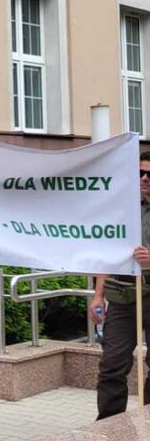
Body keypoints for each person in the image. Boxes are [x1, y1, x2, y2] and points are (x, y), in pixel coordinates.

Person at [92, 151, 150, 420]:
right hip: (122, 296)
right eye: (140, 173)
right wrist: (97, 295)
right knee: (112, 364)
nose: (145, 179)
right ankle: (109, 429)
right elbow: (107, 252)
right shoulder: (124, 210)